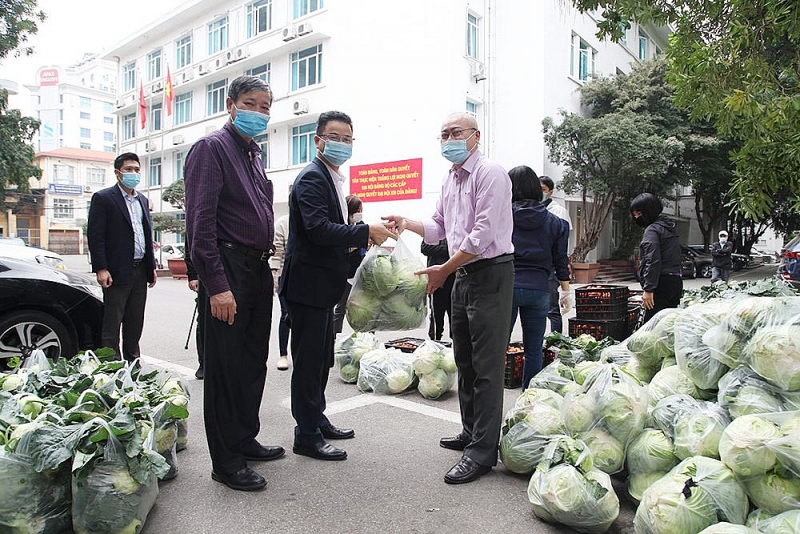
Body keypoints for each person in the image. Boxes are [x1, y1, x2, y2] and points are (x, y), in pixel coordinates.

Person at [384, 112, 514, 485]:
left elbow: (482, 234)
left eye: (455, 132)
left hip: (490, 273)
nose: (448, 139)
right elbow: (440, 226)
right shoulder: (450, 178)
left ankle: (483, 451)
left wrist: (443, 269)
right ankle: (471, 431)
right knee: (465, 359)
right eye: (442, 134)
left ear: (475, 136)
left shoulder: (491, 174)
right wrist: (408, 223)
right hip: (462, 274)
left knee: (488, 367)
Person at [185, 75, 282, 492]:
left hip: (258, 270)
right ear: (230, 105)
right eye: (250, 103)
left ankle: (245, 438)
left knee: (252, 361)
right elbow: (200, 224)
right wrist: (217, 284)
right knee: (225, 368)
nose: (258, 113)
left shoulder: (253, 154)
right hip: (229, 268)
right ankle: (225, 461)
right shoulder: (212, 149)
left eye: (265, 106)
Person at [279, 111, 394, 462]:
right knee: (309, 362)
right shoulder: (313, 178)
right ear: (318, 140)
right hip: (306, 287)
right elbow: (318, 230)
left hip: (321, 286)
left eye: (347, 139)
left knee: (320, 360)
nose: (341, 144)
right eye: (334, 137)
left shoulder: (332, 178)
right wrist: (366, 231)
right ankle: (307, 434)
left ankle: (317, 417)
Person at [87, 152, 157, 362]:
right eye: (129, 170)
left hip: (140, 270)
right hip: (116, 271)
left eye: (136, 170)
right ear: (118, 173)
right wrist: (101, 268)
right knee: (113, 322)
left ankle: (133, 362)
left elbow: (147, 234)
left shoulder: (142, 200)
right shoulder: (104, 198)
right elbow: (96, 236)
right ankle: (111, 366)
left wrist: (151, 266)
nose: (133, 173)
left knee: (135, 321)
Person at [509, 166, 571, 390]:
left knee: (497, 348)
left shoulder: (502, 218)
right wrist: (565, 291)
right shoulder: (556, 223)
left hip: (507, 288)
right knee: (534, 349)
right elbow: (560, 260)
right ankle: (529, 396)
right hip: (540, 289)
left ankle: (492, 400)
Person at [630, 193, 683, 322]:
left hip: (660, 284)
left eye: (638, 213)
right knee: (667, 325)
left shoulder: (652, 230)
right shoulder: (668, 227)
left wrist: (649, 289)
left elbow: (652, 259)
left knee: (653, 327)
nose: (636, 217)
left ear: (647, 212)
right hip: (675, 282)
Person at [540, 175, 572, 335]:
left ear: (551, 192)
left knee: (552, 309)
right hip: (535, 268)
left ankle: (556, 342)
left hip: (551, 267)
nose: (540, 193)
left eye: (543, 190)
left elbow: (561, 249)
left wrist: (566, 289)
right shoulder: (527, 211)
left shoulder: (559, 212)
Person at [333, 195, 367, 334]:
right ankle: (335, 338)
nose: (360, 213)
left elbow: (364, 247)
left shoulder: (361, 225)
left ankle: (366, 338)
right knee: (340, 309)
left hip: (359, 273)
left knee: (365, 308)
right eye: (357, 210)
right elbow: (338, 248)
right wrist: (352, 247)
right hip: (345, 274)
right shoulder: (341, 226)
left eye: (361, 209)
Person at [420, 238, 455, 341]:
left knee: (455, 315)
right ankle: (435, 341)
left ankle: (456, 345)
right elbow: (424, 248)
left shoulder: (457, 233)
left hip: (454, 281)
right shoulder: (434, 233)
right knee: (436, 316)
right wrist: (448, 250)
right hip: (436, 283)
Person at [269, 214, 291, 371]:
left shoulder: (311, 220)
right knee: (286, 315)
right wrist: (274, 275)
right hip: (285, 275)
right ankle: (283, 355)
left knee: (304, 318)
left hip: (307, 275)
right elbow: (276, 251)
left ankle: (301, 353)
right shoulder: (283, 223)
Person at [184, 250, 206, 379]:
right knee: (203, 320)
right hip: (204, 272)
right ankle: (204, 364)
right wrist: (192, 275)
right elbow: (190, 246)